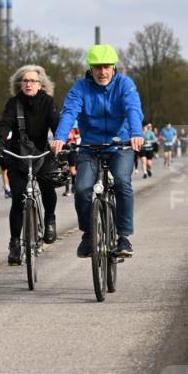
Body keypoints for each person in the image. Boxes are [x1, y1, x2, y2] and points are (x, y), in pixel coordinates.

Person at [51, 44, 144, 258]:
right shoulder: (81, 87)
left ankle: (124, 237)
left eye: (106, 67)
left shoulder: (124, 84)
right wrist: (59, 137)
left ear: (114, 68)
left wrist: (136, 134)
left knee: (122, 181)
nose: (102, 72)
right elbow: (69, 112)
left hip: (120, 145)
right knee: (82, 189)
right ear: (90, 69)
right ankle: (88, 233)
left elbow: (133, 109)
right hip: (90, 147)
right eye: (97, 68)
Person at [0, 65, 62, 266]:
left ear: (41, 84)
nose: (29, 84)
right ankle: (15, 244)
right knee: (18, 199)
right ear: (20, 84)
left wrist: (61, 140)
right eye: (25, 81)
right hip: (18, 155)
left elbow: (55, 122)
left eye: (33, 81)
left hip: (42, 152)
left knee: (48, 185)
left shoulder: (47, 102)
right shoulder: (14, 103)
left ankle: (49, 219)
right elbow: (5, 123)